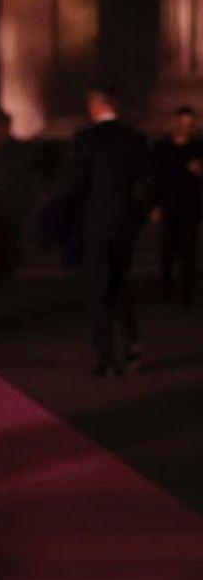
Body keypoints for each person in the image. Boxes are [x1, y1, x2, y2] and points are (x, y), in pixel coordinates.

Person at [66, 86, 148, 376]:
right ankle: (132, 343)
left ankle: (106, 356)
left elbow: (77, 184)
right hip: (125, 222)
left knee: (99, 288)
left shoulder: (86, 139)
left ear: (95, 106)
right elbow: (146, 183)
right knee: (121, 282)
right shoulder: (135, 138)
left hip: (96, 222)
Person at [150, 104, 202, 307]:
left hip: (190, 206)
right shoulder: (162, 149)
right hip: (168, 205)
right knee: (167, 250)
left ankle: (185, 295)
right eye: (182, 124)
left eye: (189, 124)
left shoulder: (198, 147)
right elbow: (154, 179)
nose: (185, 128)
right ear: (175, 123)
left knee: (189, 252)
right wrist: (154, 205)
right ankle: (167, 290)